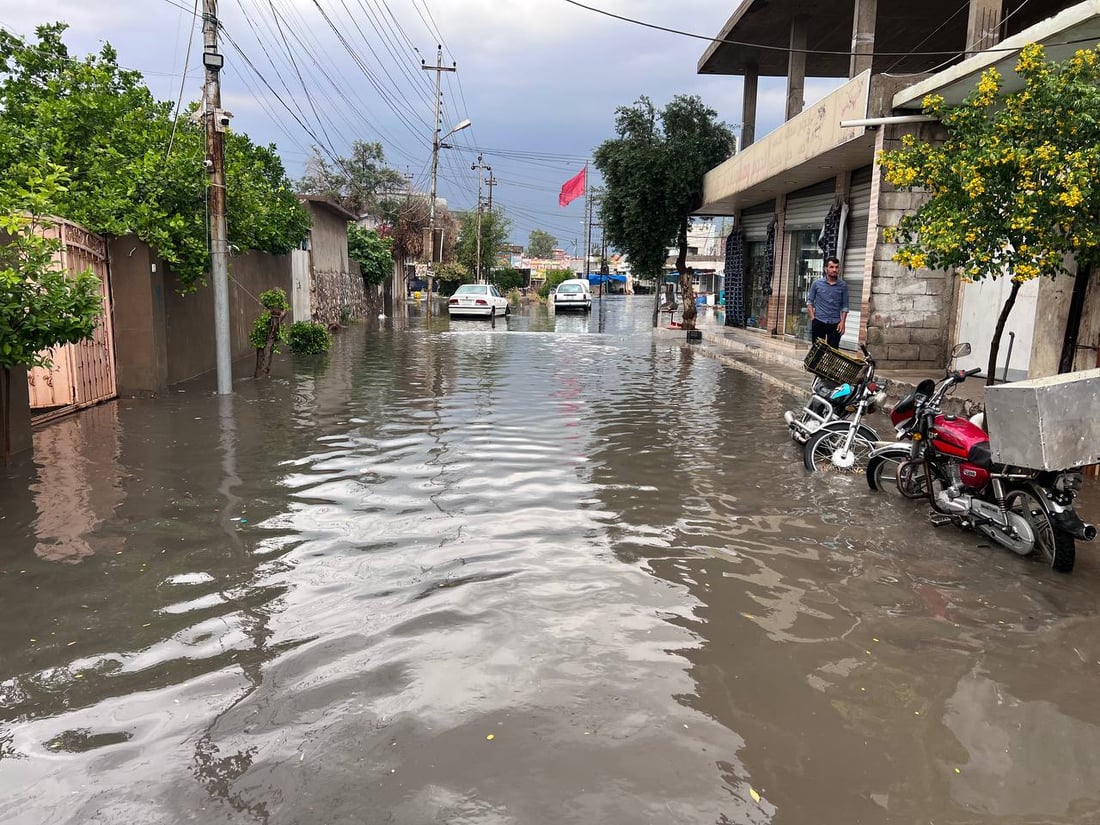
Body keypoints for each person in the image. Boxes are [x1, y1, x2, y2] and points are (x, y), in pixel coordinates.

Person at [806, 255, 849, 348]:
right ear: (826, 269)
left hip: (835, 324)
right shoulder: (817, 284)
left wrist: (843, 323)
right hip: (819, 321)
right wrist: (813, 319)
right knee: (817, 351)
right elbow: (810, 302)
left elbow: (845, 306)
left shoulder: (843, 285)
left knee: (833, 353)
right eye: (831, 267)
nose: (834, 270)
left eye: (836, 267)